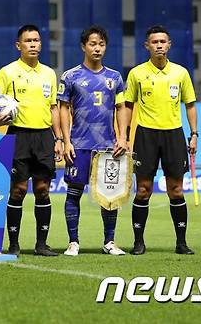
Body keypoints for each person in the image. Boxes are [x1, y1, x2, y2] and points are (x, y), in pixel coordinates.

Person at [0, 24, 64, 257]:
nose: (33, 44)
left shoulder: (49, 73)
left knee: (43, 190)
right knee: (18, 190)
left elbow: (54, 108)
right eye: (28, 41)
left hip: (43, 137)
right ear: (18, 45)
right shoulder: (7, 72)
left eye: (37, 40)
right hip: (17, 136)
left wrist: (58, 138)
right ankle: (13, 244)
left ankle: (41, 244)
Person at [124, 25, 198, 255]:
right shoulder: (136, 73)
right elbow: (127, 105)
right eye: (154, 42)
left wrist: (194, 134)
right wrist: (125, 137)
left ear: (169, 44)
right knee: (144, 190)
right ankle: (138, 242)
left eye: (162, 41)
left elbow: (191, 105)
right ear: (147, 46)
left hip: (173, 134)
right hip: (145, 135)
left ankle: (181, 242)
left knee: (176, 190)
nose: (158, 45)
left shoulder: (181, 73)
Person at [57, 25, 129, 257]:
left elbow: (121, 108)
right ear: (83, 46)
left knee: (110, 195)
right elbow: (63, 109)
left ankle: (109, 242)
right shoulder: (70, 77)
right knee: (74, 193)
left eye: (101, 44)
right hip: (79, 144)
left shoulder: (115, 78)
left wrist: (123, 138)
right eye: (92, 44)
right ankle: (73, 242)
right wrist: (66, 141)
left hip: (108, 146)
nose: (97, 48)